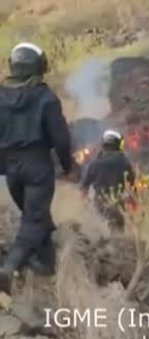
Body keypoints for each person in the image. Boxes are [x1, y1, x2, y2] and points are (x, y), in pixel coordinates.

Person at [0, 42, 74, 293]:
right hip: (38, 168)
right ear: (39, 67)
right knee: (33, 219)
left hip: (11, 169)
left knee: (37, 216)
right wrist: (67, 165)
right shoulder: (46, 98)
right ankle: (10, 268)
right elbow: (61, 138)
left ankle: (46, 264)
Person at [79, 129, 136, 232]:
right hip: (118, 203)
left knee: (97, 231)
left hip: (99, 203)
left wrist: (84, 201)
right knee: (117, 233)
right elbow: (132, 186)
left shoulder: (96, 163)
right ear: (118, 144)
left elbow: (84, 185)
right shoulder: (125, 163)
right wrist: (132, 203)